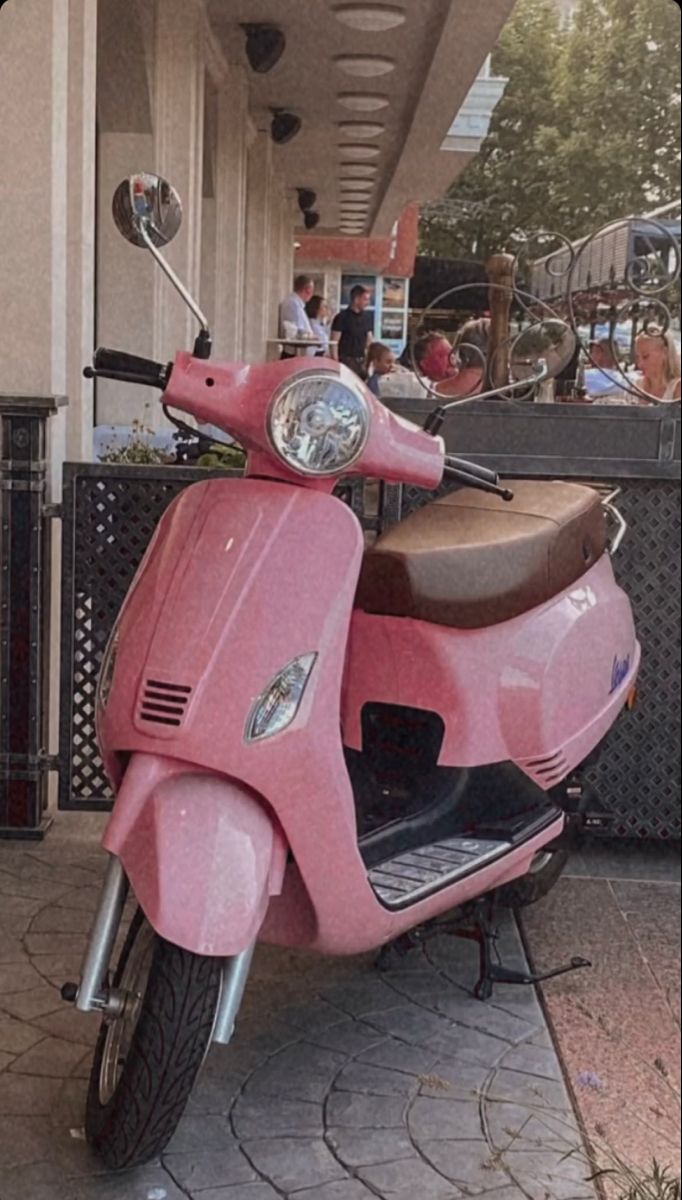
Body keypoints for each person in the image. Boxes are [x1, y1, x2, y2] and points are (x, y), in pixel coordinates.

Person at [331, 285, 374, 378]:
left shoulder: (367, 318)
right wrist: (335, 363)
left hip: (361, 362)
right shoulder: (341, 317)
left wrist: (370, 361)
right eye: (365, 299)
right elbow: (334, 342)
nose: (368, 303)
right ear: (356, 299)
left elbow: (369, 341)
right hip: (346, 361)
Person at [634, 327, 681, 402]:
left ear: (665, 352)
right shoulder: (636, 387)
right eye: (637, 357)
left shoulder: (677, 389)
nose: (640, 364)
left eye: (645, 356)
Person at [279, 275, 315, 358]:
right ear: (307, 290)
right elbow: (296, 331)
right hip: (294, 352)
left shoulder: (298, 304)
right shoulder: (292, 304)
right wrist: (310, 337)